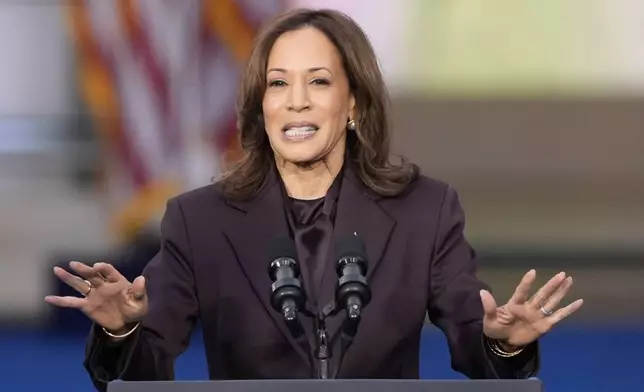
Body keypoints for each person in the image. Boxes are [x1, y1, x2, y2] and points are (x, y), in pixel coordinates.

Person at [45, 8, 583, 391]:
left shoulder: (425, 210)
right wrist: (124, 328)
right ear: (260, 104)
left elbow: (475, 338)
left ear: (354, 102)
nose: (296, 101)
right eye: (278, 84)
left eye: (318, 81)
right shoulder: (198, 220)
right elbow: (141, 369)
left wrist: (504, 342)